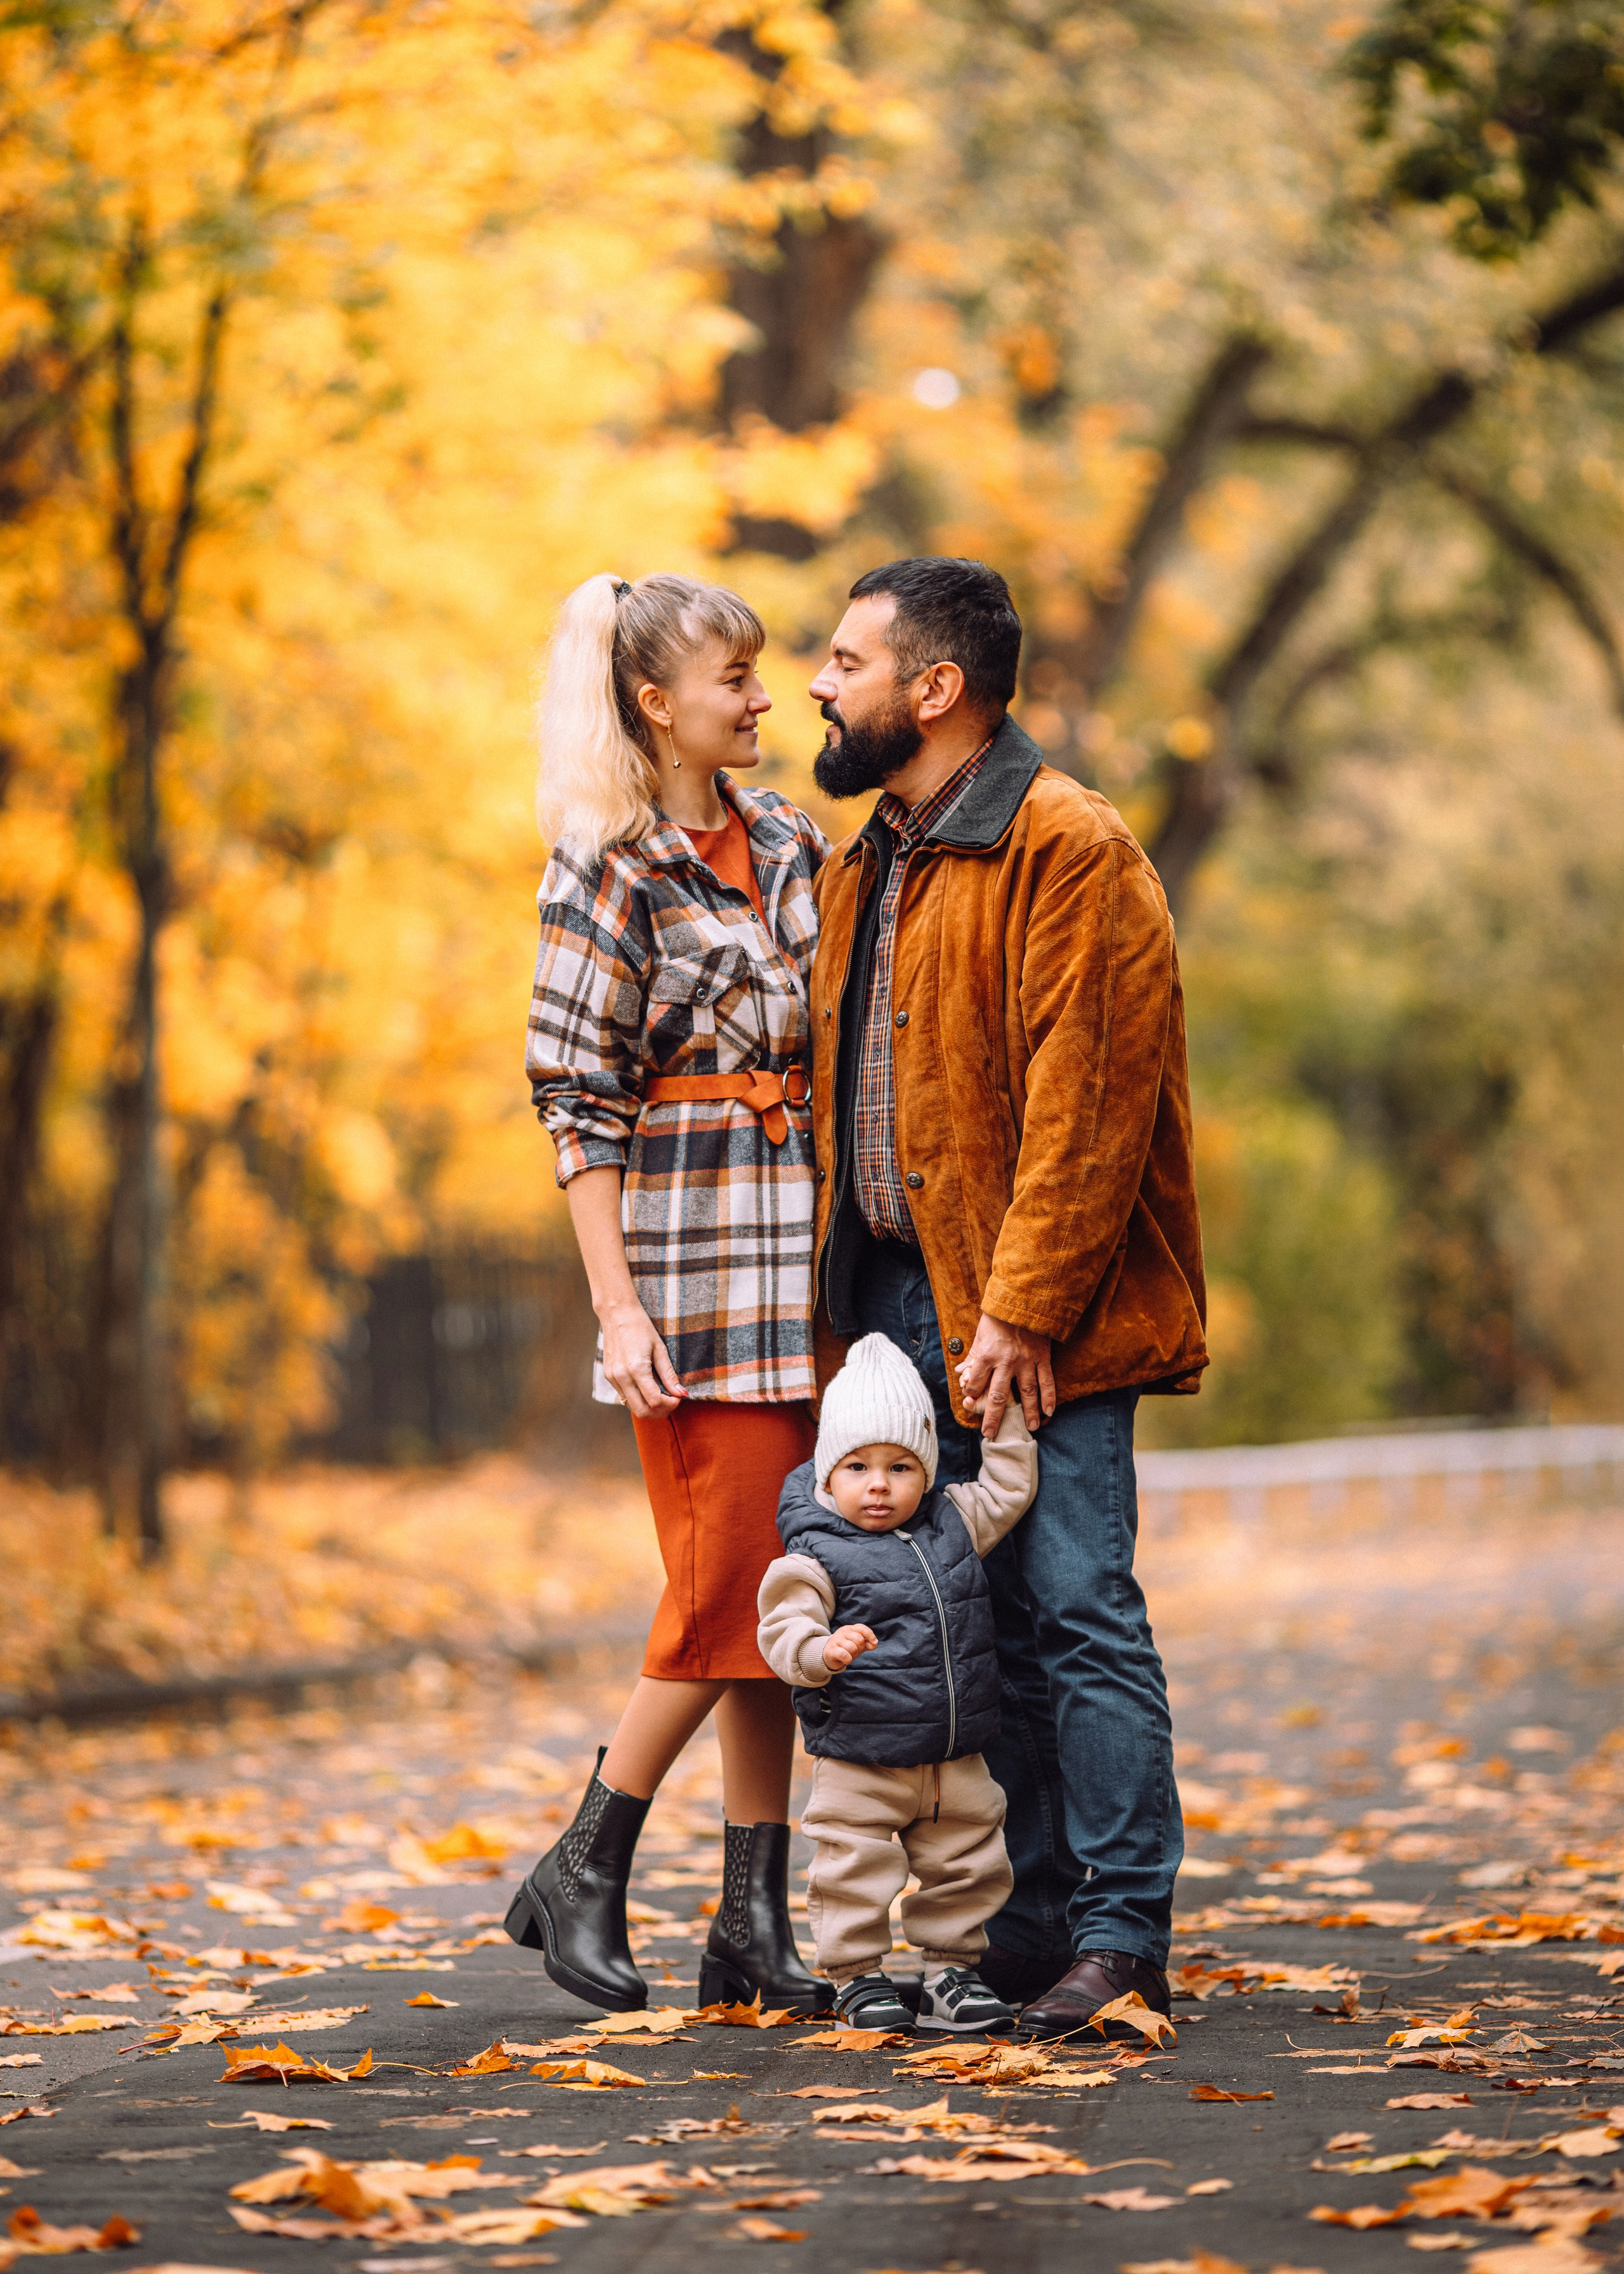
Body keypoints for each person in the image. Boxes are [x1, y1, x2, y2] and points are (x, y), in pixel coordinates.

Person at [804, 555, 1208, 2040]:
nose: (815, 682)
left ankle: (1118, 1935)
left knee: (1077, 1606)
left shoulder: (1063, 843)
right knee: (975, 1626)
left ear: (933, 688)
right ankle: (1029, 1928)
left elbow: (1086, 1107)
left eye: (844, 660)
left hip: (1043, 1306)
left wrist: (1021, 1307)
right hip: (901, 1308)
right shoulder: (866, 861)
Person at [506, 571, 831, 2016]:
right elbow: (576, 1103)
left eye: (764, 673)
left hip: (809, 1265)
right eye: (737, 678)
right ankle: (584, 1860)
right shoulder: (606, 867)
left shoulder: (790, 839)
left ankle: (749, 1927)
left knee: (781, 1593)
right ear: (657, 702)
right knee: (719, 1593)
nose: (765, 697)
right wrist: (616, 1308)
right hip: (691, 1277)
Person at [757, 1334, 1037, 2034]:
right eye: (857, 1465)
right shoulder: (815, 1549)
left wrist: (1002, 1416)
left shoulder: (952, 1521)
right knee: (851, 1867)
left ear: (927, 1470)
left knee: (969, 1862)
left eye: (900, 1465)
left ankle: (950, 1973)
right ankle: (857, 1979)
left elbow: (1008, 1487)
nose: (878, 1482)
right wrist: (822, 1649)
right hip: (860, 1753)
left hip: (954, 1755)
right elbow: (781, 1628)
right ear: (828, 1475)